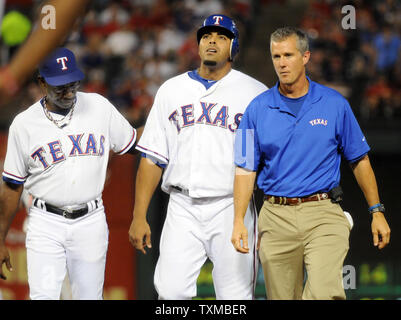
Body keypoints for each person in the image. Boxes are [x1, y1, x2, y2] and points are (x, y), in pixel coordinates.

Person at [231, 27, 390, 300]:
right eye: (276, 56)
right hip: (276, 216)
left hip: (324, 213)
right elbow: (245, 169)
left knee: (325, 294)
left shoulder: (334, 104)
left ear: (305, 56)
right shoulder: (255, 109)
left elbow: (359, 159)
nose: (281, 63)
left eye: (288, 55)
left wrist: (376, 211)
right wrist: (238, 220)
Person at [128, 14, 267, 299]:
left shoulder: (255, 93)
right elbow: (153, 158)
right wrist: (139, 215)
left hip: (232, 207)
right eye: (206, 36)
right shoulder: (171, 90)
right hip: (182, 206)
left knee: (236, 297)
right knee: (170, 291)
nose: (212, 41)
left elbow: (269, 159)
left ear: (234, 47)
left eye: (221, 37)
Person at [0, 47, 138, 299]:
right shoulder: (24, 123)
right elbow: (12, 185)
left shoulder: (98, 106)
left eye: (72, 83)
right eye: (59, 86)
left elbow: (132, 145)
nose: (68, 92)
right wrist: (0, 238)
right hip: (45, 221)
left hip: (91, 218)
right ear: (42, 82)